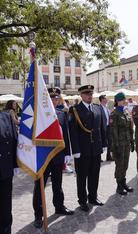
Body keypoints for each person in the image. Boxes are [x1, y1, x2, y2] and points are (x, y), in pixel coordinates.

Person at [33, 88, 74, 228]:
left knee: (58, 184)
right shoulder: (39, 115)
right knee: (39, 187)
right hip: (43, 156)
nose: (55, 101)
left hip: (58, 155)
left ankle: (59, 206)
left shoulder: (61, 114)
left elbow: (66, 135)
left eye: (56, 98)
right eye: (51, 98)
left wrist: (67, 153)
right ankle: (38, 215)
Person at [69, 85, 106, 212]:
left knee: (94, 175)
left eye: (91, 94)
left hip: (95, 148)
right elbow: (73, 132)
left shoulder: (97, 108)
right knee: (82, 177)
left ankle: (93, 197)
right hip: (82, 150)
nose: (89, 96)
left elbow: (101, 128)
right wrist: (76, 150)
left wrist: (104, 144)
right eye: (86, 94)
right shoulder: (75, 110)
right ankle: (82, 201)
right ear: (81, 95)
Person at [110, 92, 134, 195]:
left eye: (125, 99)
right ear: (117, 101)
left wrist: (132, 142)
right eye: (122, 100)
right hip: (119, 144)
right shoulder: (114, 114)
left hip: (127, 142)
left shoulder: (126, 112)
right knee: (119, 164)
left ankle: (123, 183)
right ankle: (119, 186)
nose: (125, 101)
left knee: (125, 164)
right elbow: (113, 132)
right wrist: (115, 147)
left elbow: (130, 129)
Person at [0, 111, 18, 234]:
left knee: (5, 206)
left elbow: (14, 139)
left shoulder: (6, 116)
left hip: (5, 169)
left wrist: (15, 164)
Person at [99, 95, 113, 161]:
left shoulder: (107, 108)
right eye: (105, 98)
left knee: (110, 141)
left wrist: (110, 119)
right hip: (102, 128)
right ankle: (99, 157)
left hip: (108, 127)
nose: (106, 99)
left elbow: (108, 116)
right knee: (101, 142)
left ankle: (108, 156)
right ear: (102, 99)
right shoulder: (99, 108)